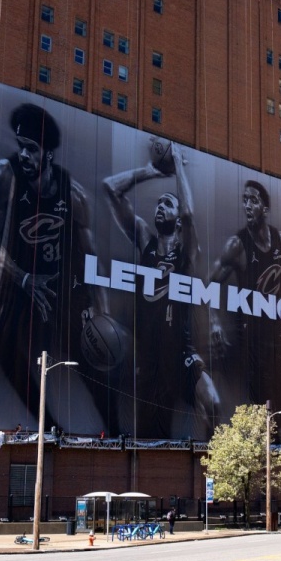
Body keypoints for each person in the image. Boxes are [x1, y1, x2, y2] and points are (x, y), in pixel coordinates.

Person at [0, 101, 110, 433]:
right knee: (1, 343)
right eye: (21, 147)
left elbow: (90, 257)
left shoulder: (75, 195)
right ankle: (48, 427)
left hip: (60, 288)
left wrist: (102, 312)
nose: (23, 155)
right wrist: (23, 278)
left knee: (95, 351)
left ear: (48, 155)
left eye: (32, 150)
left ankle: (111, 426)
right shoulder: (2, 175)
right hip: (18, 283)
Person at [103, 142, 219, 439]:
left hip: (182, 351)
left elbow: (191, 215)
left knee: (214, 404)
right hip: (150, 358)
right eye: (157, 203)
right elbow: (110, 188)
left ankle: (216, 468)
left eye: (167, 203)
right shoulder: (145, 240)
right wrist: (149, 172)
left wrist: (178, 163)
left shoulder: (187, 251)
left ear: (178, 220)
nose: (159, 207)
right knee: (150, 438)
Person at [209, 180, 281, 420]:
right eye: (244, 200)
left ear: (265, 208)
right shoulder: (237, 245)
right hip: (251, 340)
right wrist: (214, 321)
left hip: (279, 336)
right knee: (261, 411)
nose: (246, 205)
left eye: (253, 200)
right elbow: (210, 284)